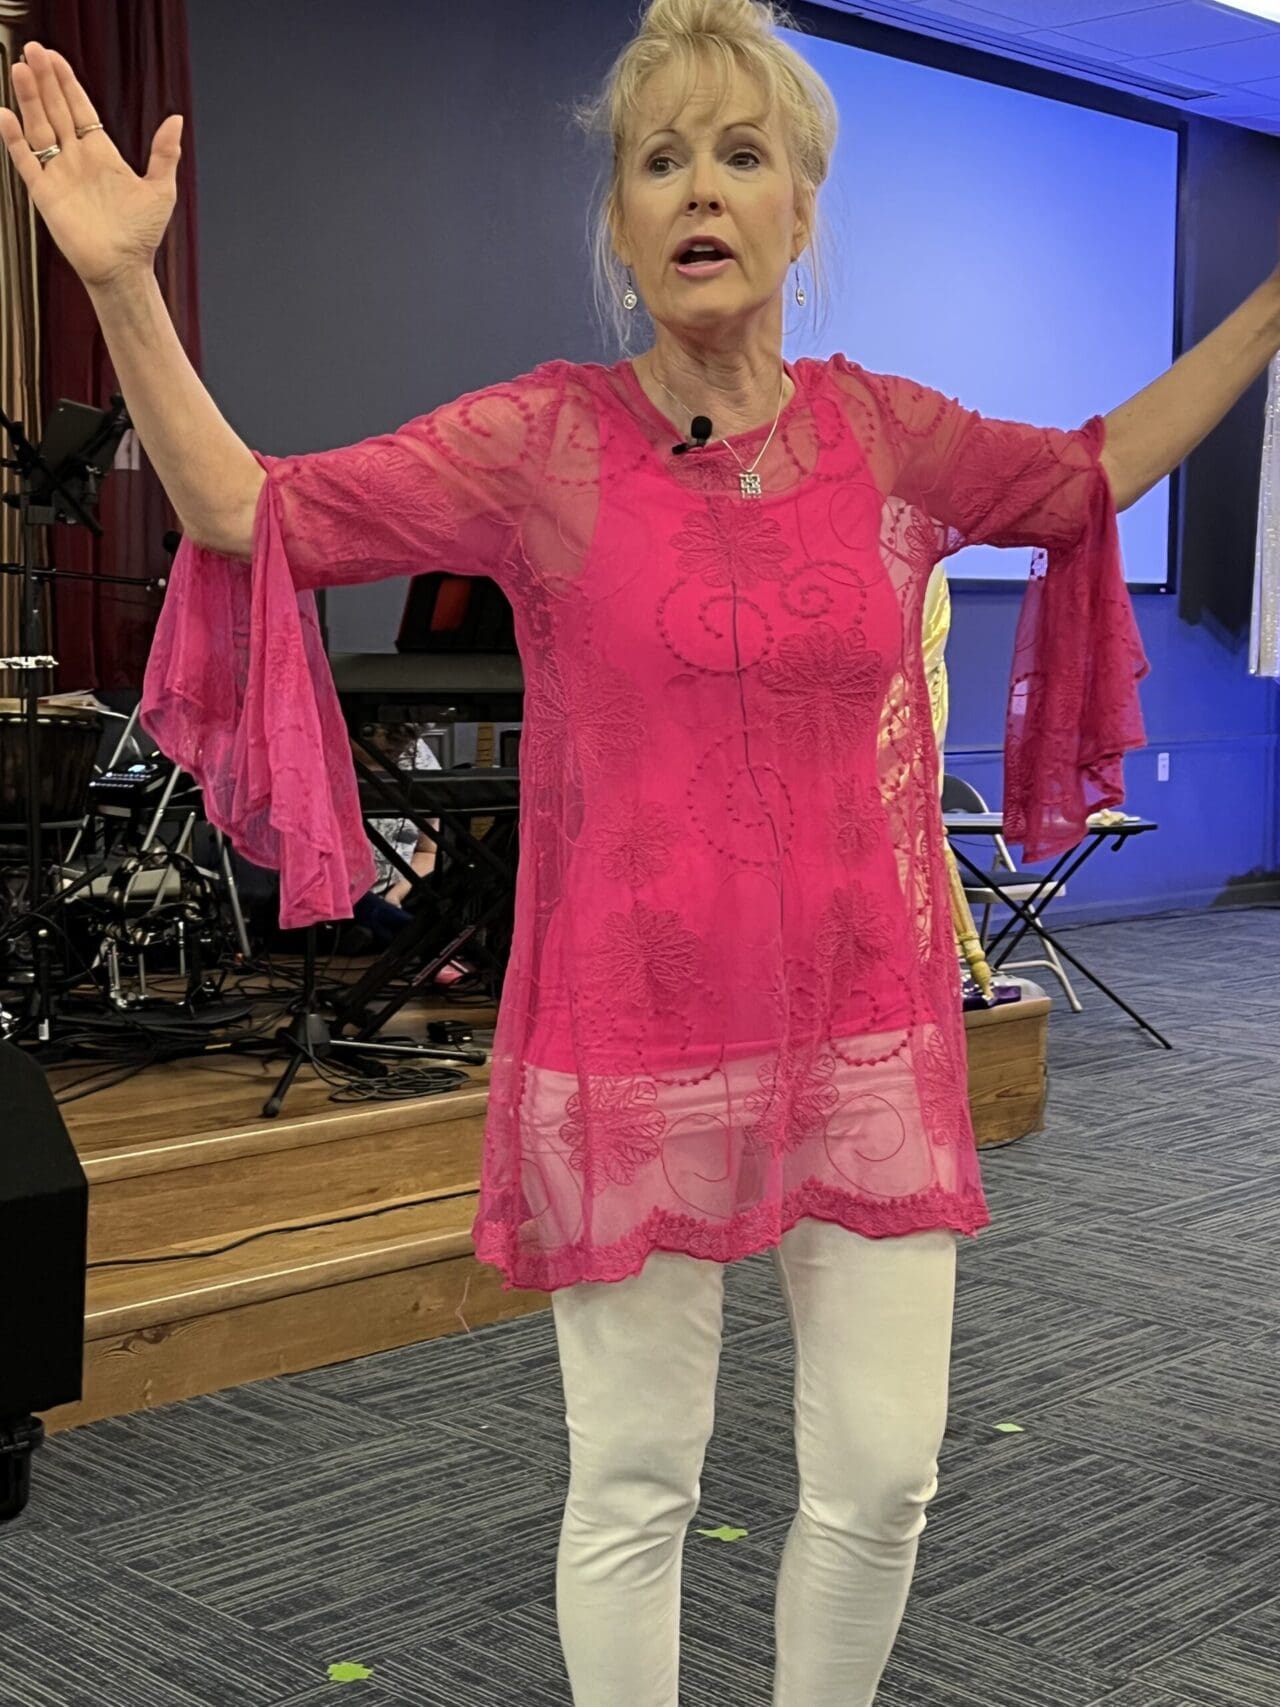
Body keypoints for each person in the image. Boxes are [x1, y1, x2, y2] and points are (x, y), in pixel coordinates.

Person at [6, 3, 1279, 1700]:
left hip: (864, 1026)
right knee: (634, 1482)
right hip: (634, 1035)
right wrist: (115, 285)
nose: (701, 190)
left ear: (799, 212)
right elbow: (250, 510)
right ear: (620, 221)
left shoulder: (885, 434)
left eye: (741, 157)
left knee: (887, 1478)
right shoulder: (540, 446)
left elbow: (1093, 468)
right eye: (660, 159)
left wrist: (1269, 304)